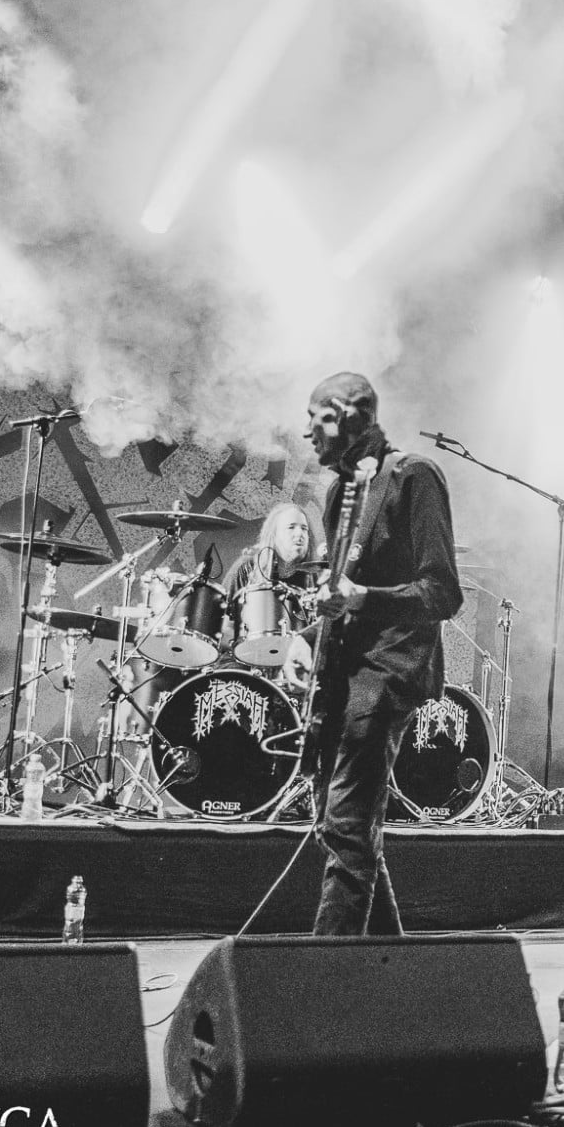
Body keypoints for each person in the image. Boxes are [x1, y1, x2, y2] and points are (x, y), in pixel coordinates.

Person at [303, 372, 463, 936]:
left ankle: (326, 974)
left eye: (318, 418)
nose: (308, 432)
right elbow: (342, 596)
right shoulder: (339, 494)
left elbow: (443, 593)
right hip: (344, 674)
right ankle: (395, 964)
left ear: (350, 416)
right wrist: (311, 632)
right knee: (342, 828)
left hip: (389, 672)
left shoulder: (413, 476)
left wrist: (363, 598)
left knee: (347, 826)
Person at [218, 502, 320, 677]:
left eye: (304, 529)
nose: (299, 534)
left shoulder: (313, 577)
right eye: (291, 527)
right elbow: (220, 626)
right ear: (274, 535)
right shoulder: (247, 568)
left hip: (293, 662)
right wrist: (248, 646)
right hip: (244, 660)